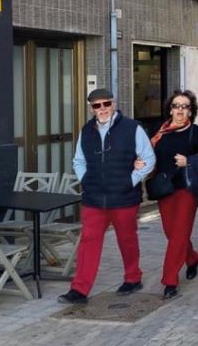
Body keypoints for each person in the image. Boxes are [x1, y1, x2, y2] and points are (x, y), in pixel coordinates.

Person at [58, 88, 156, 305]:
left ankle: (133, 278)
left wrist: (130, 180)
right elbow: (78, 161)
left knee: (127, 239)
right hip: (94, 198)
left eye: (106, 104)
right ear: (91, 108)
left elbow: (148, 158)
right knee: (88, 242)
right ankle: (79, 290)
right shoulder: (86, 131)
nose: (102, 109)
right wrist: (87, 180)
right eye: (97, 105)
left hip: (124, 197)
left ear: (114, 104)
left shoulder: (132, 128)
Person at [147, 89, 198, 300]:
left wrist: (189, 161)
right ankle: (192, 259)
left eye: (185, 106)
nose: (180, 110)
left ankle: (170, 281)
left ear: (191, 111)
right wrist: (140, 163)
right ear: (170, 109)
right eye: (176, 106)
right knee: (171, 233)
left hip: (186, 189)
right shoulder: (159, 131)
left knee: (179, 234)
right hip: (165, 188)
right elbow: (148, 155)